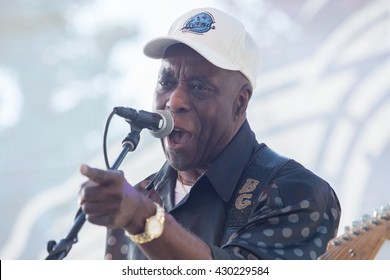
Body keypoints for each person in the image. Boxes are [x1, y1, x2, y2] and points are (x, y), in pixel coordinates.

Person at [78, 7, 341, 260]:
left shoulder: (299, 193)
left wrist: (143, 219)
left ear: (240, 102)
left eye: (198, 86)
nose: (174, 100)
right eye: (166, 83)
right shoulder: (140, 198)